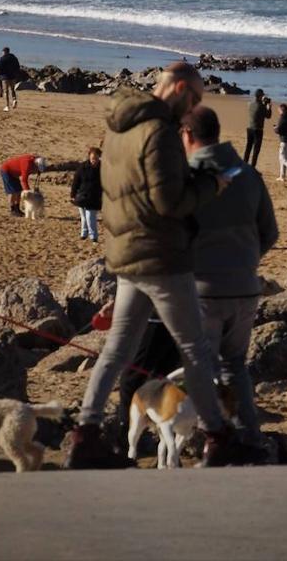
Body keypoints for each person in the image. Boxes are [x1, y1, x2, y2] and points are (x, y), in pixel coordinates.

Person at [64, 61, 258, 469]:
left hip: (126, 251)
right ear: (181, 88)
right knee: (194, 349)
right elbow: (169, 201)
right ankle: (217, 437)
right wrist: (211, 185)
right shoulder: (160, 132)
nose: (193, 110)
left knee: (117, 350)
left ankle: (86, 434)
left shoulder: (118, 128)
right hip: (161, 255)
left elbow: (122, 189)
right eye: (195, 99)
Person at [181, 104, 278, 446]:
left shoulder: (187, 177)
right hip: (244, 286)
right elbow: (270, 232)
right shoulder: (248, 174)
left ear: (188, 135)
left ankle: (214, 439)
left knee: (202, 368)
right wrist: (248, 260)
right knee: (235, 366)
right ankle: (248, 435)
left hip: (202, 289)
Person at [70, 147, 103, 243]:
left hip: (95, 197)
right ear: (89, 157)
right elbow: (76, 181)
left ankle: (94, 237)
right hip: (82, 196)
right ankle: (84, 234)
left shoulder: (103, 168)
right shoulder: (82, 167)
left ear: (99, 157)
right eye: (92, 158)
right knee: (83, 217)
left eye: (96, 158)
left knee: (90, 217)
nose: (94, 160)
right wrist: (73, 194)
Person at [0, 153, 47, 218]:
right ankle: (12, 210)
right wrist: (29, 192)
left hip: (15, 173)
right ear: (36, 165)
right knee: (12, 192)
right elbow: (24, 180)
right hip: (6, 171)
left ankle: (17, 209)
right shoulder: (27, 165)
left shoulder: (35, 160)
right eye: (37, 169)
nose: (36, 171)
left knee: (19, 190)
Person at [242, 89, 272, 166]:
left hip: (250, 128)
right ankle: (252, 167)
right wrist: (269, 107)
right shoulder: (262, 106)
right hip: (258, 130)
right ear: (260, 96)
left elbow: (258, 111)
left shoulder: (249, 104)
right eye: (262, 96)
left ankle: (244, 164)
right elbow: (268, 116)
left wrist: (264, 104)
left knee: (248, 148)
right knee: (256, 150)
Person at [0, 47, 21, 112]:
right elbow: (18, 66)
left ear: (4, 52)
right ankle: (14, 99)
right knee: (12, 89)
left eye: (2, 52)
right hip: (13, 76)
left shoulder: (2, 58)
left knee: (6, 91)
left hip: (5, 77)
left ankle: (7, 105)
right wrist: (16, 74)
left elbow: (0, 68)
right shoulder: (14, 58)